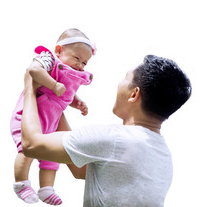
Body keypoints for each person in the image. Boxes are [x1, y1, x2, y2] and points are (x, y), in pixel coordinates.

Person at [21, 55, 192, 207]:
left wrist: (31, 84)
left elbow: (31, 144)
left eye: (126, 78)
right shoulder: (163, 155)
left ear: (134, 94)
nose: (119, 82)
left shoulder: (112, 139)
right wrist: (55, 105)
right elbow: (81, 170)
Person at [10, 28, 96, 205]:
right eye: (76, 58)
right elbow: (33, 70)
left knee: (51, 156)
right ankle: (21, 183)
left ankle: (46, 188)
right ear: (58, 50)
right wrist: (53, 84)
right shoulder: (49, 59)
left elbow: (66, 94)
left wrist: (77, 102)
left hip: (52, 120)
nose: (80, 65)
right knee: (27, 151)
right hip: (31, 114)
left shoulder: (74, 73)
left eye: (85, 63)